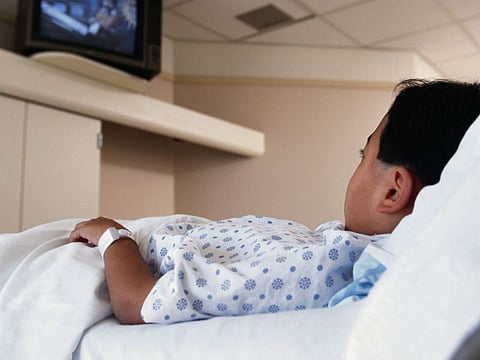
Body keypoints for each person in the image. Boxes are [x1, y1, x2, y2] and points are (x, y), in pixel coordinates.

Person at [69, 79, 480, 325]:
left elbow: (139, 302)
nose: (356, 167)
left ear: (392, 191)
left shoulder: (320, 270)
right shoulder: (341, 247)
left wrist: (113, 235)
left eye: (364, 155)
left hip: (101, 259)